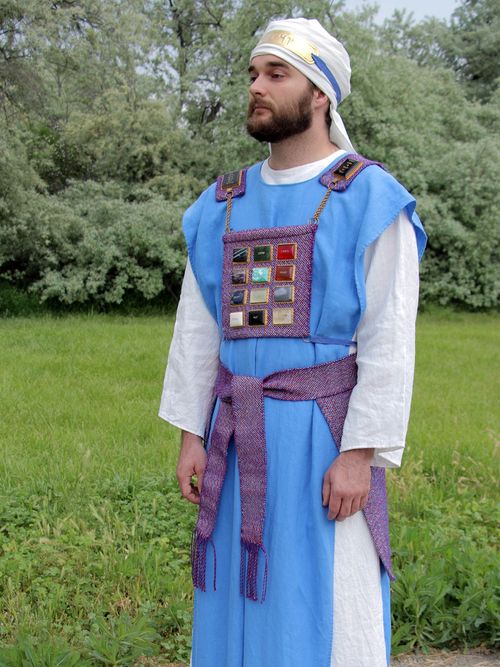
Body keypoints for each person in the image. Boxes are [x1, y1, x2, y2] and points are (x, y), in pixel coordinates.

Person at [159, 17, 426, 667]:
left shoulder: (367, 198)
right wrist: (191, 433)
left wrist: (361, 453)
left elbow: (389, 340)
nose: (257, 86)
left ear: (320, 94)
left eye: (276, 74)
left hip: (321, 442)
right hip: (234, 435)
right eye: (253, 73)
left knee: (326, 599)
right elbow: (198, 327)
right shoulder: (222, 203)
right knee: (235, 598)